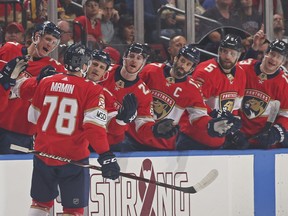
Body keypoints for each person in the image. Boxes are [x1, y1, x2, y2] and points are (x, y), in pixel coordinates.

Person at [26, 42, 120, 216]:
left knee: (40, 204)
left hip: (43, 153)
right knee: (73, 210)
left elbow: (32, 117)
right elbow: (94, 128)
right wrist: (106, 155)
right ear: (85, 65)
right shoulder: (92, 89)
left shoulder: (46, 81)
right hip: (73, 159)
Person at [126, 44, 237, 151]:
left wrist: (211, 125)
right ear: (175, 59)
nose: (183, 66)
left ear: (192, 69)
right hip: (133, 138)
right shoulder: (151, 71)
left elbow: (199, 116)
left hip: (163, 145)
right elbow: (131, 90)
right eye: (182, 61)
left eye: (188, 64)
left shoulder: (192, 89)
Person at [0, 21, 66, 154]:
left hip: (22, 133)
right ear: (36, 36)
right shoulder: (10, 49)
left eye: (54, 42)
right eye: (48, 39)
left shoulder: (55, 69)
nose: (50, 45)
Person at [176, 34, 246, 150]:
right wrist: (216, 114)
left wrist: (232, 129)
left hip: (218, 140)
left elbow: (234, 108)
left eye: (232, 53)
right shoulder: (204, 72)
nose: (227, 56)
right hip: (192, 137)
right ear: (219, 51)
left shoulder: (241, 73)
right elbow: (193, 104)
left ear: (238, 56)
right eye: (224, 51)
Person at [100, 43, 154, 151]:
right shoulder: (105, 71)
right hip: (89, 130)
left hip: (113, 141)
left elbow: (143, 124)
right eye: (131, 56)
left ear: (143, 63)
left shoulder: (144, 93)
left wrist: (155, 130)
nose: (134, 60)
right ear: (124, 57)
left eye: (139, 58)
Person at [237, 38, 288, 149]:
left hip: (262, 136)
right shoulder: (245, 67)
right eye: (272, 54)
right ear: (266, 53)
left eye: (279, 57)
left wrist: (276, 132)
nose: (274, 59)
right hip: (238, 132)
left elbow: (286, 114)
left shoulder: (284, 82)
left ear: (283, 62)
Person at [85, 49, 138, 147]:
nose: (97, 69)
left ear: (104, 74)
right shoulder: (70, 82)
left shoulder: (105, 95)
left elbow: (114, 129)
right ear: (86, 64)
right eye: (95, 64)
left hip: (101, 146)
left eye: (101, 67)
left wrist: (122, 119)